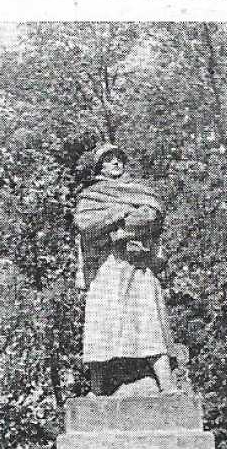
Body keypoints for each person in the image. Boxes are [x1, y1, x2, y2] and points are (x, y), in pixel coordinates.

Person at [74, 143, 180, 397]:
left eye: (119, 159)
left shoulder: (141, 192)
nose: (116, 163)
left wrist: (116, 232)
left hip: (138, 265)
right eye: (109, 160)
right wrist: (121, 212)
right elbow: (86, 224)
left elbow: (151, 217)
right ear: (100, 166)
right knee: (102, 323)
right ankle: (98, 389)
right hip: (106, 268)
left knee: (148, 320)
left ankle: (166, 384)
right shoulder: (91, 196)